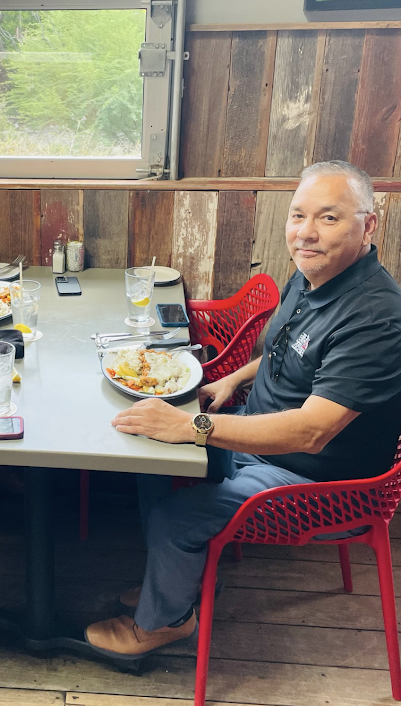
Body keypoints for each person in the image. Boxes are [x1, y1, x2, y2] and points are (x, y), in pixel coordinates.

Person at [84, 160, 401, 660]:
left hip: (320, 480)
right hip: (261, 437)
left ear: (369, 225)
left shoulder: (376, 319)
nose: (306, 233)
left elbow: (312, 432)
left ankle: (165, 622)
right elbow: (283, 353)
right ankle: (174, 584)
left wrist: (194, 426)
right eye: (298, 215)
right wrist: (230, 380)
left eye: (329, 217)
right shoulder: (313, 273)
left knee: (175, 517)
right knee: (150, 458)